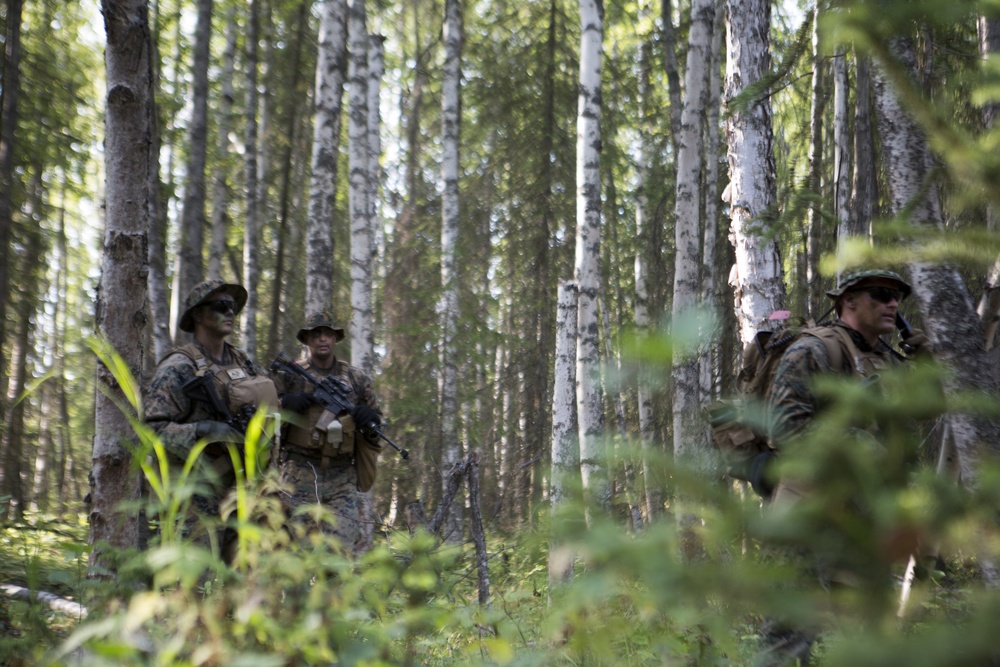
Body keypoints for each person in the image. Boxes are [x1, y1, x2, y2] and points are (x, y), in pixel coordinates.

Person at [757, 269, 932, 664]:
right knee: (788, 634)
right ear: (848, 301)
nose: (892, 304)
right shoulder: (813, 350)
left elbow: (928, 411)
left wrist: (928, 364)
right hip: (807, 513)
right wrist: (857, 443)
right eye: (882, 294)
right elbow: (784, 428)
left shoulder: (888, 359)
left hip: (866, 518)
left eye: (897, 298)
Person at [144, 279, 279, 552]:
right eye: (220, 306)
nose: (230, 312)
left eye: (232, 307)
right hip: (196, 495)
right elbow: (151, 429)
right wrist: (203, 431)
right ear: (197, 315)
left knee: (248, 581)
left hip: (243, 489)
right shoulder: (179, 367)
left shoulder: (244, 362)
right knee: (194, 584)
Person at [270, 311, 384, 554]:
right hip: (298, 472)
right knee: (294, 556)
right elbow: (261, 414)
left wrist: (368, 419)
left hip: (342, 475)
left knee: (340, 558)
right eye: (316, 334)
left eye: (328, 334)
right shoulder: (288, 375)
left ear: (336, 339)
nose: (323, 339)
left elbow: (377, 424)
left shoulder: (356, 379)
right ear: (307, 340)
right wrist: (284, 403)